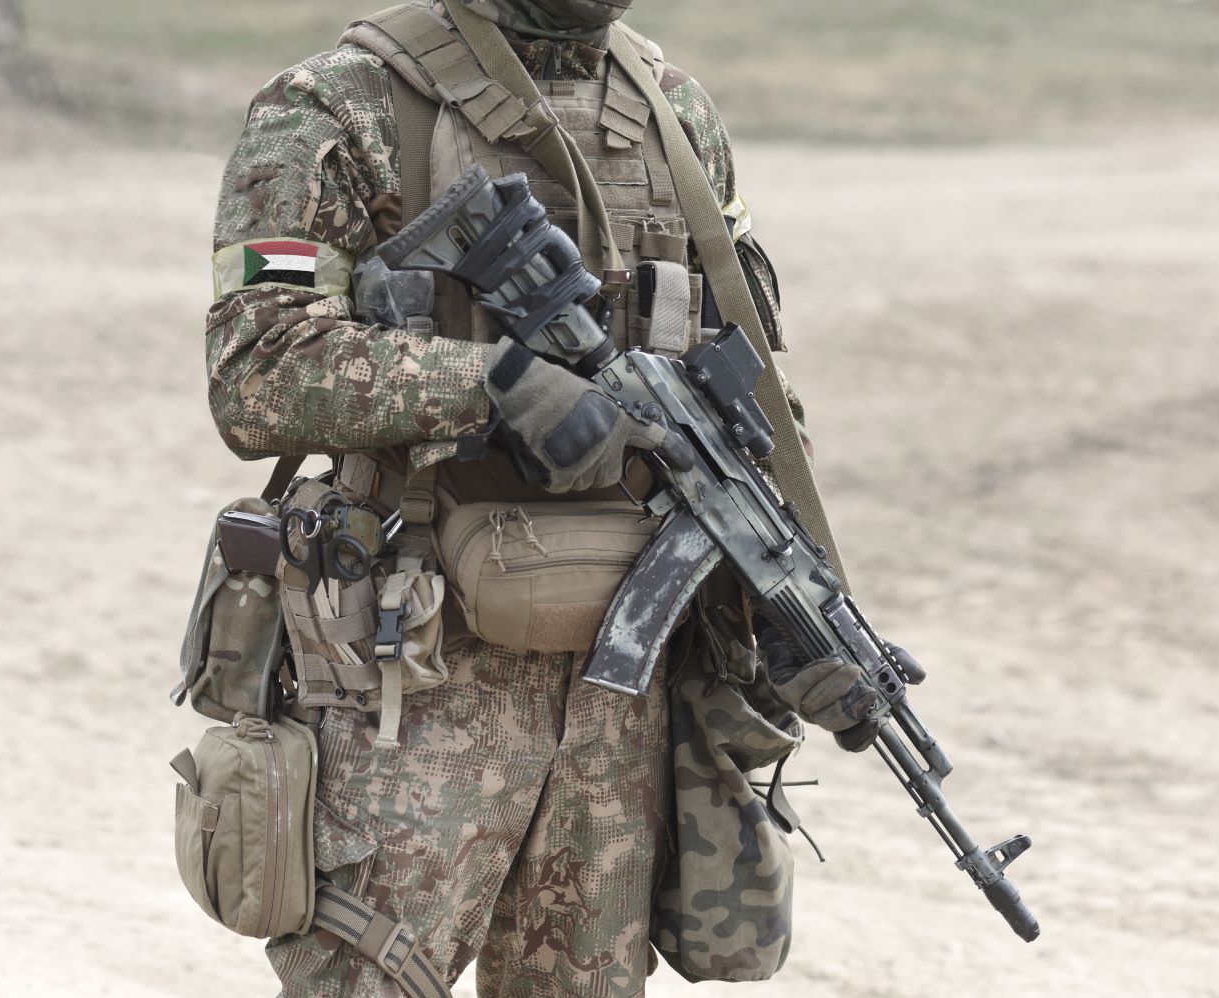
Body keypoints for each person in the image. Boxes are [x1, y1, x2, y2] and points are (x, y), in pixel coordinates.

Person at [205, 2, 877, 994]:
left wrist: (791, 619)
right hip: (411, 668)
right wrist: (494, 385)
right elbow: (256, 371)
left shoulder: (675, 114)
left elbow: (755, 405)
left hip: (623, 688)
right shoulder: (342, 104)